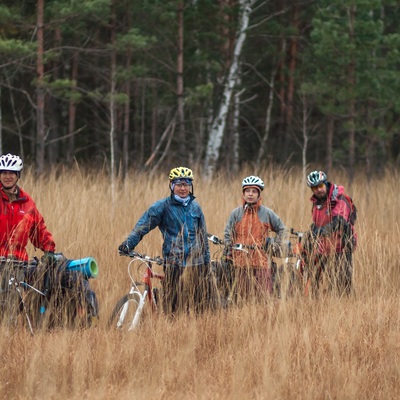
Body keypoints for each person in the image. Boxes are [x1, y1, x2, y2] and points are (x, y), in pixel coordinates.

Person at [118, 166, 213, 315]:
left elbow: (202, 236)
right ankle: (172, 331)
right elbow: (143, 226)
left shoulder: (196, 207)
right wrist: (129, 244)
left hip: (197, 262)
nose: (183, 188)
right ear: (172, 185)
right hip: (174, 261)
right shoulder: (162, 206)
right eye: (179, 184)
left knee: (199, 304)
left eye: (186, 184)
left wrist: (207, 260)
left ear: (191, 186)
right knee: (171, 305)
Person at [0, 153, 56, 323]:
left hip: (17, 261)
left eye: (12, 173)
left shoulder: (27, 203)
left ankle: (8, 334)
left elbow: (39, 229)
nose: (7, 176)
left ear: (18, 175)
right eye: (3, 172)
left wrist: (48, 250)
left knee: (10, 300)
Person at [223, 175, 286, 301]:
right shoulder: (236, 213)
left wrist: (276, 244)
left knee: (264, 297)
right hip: (240, 262)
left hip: (261, 261)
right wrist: (228, 246)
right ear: (243, 193)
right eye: (247, 191)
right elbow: (227, 233)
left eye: (254, 191)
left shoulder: (267, 213)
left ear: (259, 194)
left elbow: (282, 229)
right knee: (242, 297)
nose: (250, 194)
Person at [305, 170, 357, 295]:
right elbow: (317, 223)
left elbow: (339, 221)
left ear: (326, 184)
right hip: (324, 247)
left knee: (342, 283)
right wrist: (311, 233)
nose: (318, 190)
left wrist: (323, 230)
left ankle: (346, 307)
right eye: (314, 188)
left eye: (320, 186)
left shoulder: (339, 199)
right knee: (317, 277)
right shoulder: (317, 203)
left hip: (342, 246)